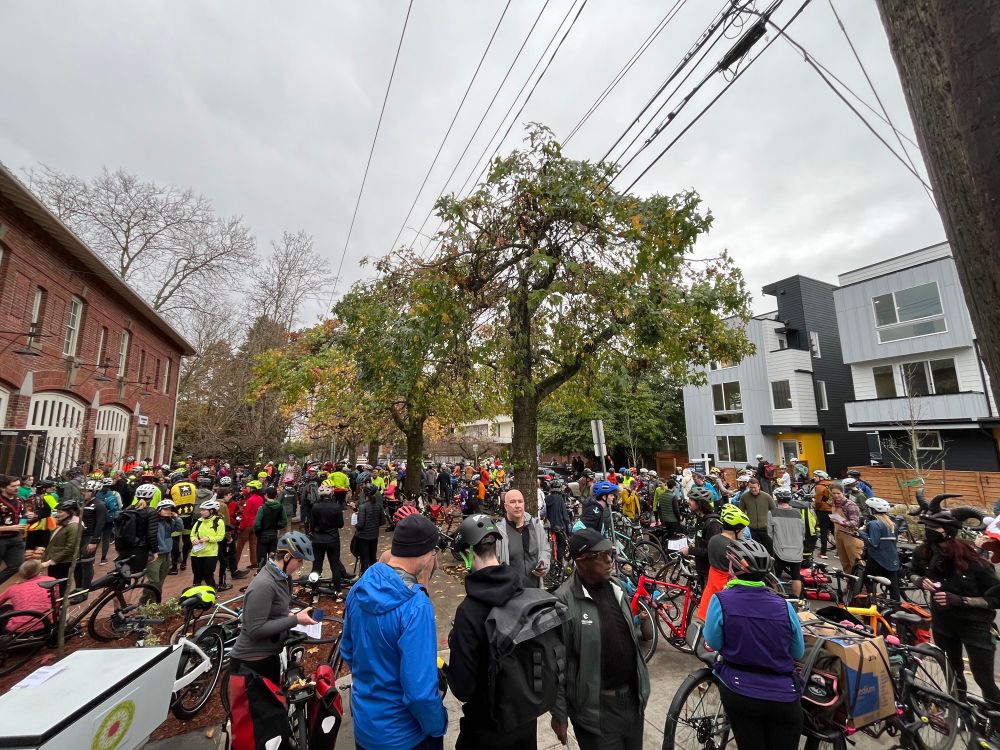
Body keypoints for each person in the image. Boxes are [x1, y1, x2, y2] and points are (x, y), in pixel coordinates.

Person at [341, 514, 448, 750]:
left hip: (366, 726)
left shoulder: (359, 587)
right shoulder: (416, 606)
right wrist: (437, 725)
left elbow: (347, 649)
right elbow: (420, 692)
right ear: (426, 552)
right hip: (406, 734)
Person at [551, 529, 650, 749]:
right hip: (597, 713)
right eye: (600, 555)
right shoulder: (564, 601)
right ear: (581, 561)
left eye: (610, 552)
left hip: (633, 703)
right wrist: (559, 714)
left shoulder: (617, 588)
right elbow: (555, 663)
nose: (609, 559)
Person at [703, 539, 805, 750]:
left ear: (734, 569)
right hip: (783, 697)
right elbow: (798, 651)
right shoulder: (784, 606)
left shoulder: (721, 600)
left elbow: (713, 642)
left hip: (739, 690)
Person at [447, 514, 538, 748]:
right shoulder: (526, 589)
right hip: (526, 721)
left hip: (487, 727)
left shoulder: (468, 611)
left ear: (468, 554)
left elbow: (462, 688)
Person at [227, 531, 318, 743]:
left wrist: (291, 614)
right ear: (286, 557)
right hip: (251, 666)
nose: (301, 566)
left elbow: (275, 610)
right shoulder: (263, 584)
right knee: (260, 728)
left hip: (268, 658)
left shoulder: (282, 577)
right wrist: (296, 620)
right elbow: (255, 629)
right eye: (299, 561)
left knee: (273, 722)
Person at [912, 507, 1000, 710]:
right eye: (927, 526)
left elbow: (996, 598)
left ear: (949, 531)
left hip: (975, 625)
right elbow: (911, 572)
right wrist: (921, 581)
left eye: (935, 528)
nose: (929, 531)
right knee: (953, 671)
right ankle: (959, 709)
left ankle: (996, 722)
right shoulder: (924, 551)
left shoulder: (973, 560)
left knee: (983, 679)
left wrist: (961, 600)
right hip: (943, 623)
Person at [697, 504, 750, 621]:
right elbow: (746, 567)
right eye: (743, 530)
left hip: (712, 587)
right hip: (726, 589)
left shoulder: (714, 539)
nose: (743, 533)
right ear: (736, 530)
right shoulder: (731, 546)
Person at [495, 489, 550, 588]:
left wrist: (543, 563)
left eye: (520, 501)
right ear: (505, 506)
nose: (517, 505)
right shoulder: (499, 532)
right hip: (512, 593)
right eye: (512, 502)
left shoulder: (536, 526)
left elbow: (545, 550)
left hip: (535, 591)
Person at [859, 497, 901, 601]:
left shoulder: (873, 524)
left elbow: (874, 543)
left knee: (868, 580)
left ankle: (872, 603)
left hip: (877, 559)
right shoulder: (893, 524)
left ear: (872, 510)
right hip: (892, 559)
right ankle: (896, 609)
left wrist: (861, 532)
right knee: (893, 587)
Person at [309, 484, 346, 596]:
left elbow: (311, 524)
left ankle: (314, 588)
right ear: (331, 494)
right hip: (332, 539)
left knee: (316, 565)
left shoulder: (315, 507)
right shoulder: (336, 507)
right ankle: (338, 589)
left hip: (317, 540)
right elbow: (340, 524)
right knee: (334, 565)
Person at [768, 488, 804, 597]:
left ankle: (776, 598)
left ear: (777, 499)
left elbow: (770, 533)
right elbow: (803, 532)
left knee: (775, 577)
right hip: (797, 550)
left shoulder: (772, 513)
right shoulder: (798, 513)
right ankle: (797, 600)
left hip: (780, 549)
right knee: (796, 576)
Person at [144, 498, 182, 602]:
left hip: (166, 554)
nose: (168, 511)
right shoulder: (153, 521)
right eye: (165, 509)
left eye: (170, 509)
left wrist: (177, 518)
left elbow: (179, 529)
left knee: (160, 581)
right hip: (154, 555)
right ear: (159, 509)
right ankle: (143, 602)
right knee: (154, 582)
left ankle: (155, 603)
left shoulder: (169, 521)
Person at [0, 560, 55, 632]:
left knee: (6, 608)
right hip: (47, 623)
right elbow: (55, 600)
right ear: (39, 571)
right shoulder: (51, 580)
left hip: (18, 629)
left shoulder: (13, 588)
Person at [41, 501, 83, 593]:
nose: (57, 514)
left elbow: (71, 547)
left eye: (60, 512)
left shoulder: (74, 526)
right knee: (55, 587)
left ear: (71, 512)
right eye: (57, 511)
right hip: (56, 560)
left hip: (62, 562)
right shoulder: (65, 523)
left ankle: (59, 605)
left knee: (59, 588)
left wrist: (52, 561)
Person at [687, 487, 722, 589]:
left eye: (691, 500)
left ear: (700, 503)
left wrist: (690, 550)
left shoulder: (712, 524)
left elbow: (711, 551)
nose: (688, 502)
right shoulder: (701, 520)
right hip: (702, 569)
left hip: (709, 572)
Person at [77, 480, 107, 589]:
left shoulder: (99, 505)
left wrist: (94, 541)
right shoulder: (81, 503)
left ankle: (85, 589)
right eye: (82, 491)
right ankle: (78, 587)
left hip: (89, 537)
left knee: (86, 563)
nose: (84, 493)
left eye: (87, 491)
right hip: (79, 536)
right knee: (77, 564)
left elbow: (100, 524)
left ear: (94, 492)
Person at [190, 499, 226, 589]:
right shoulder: (199, 521)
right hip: (196, 553)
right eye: (201, 510)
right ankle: (196, 596)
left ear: (211, 511)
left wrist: (209, 538)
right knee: (197, 576)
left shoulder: (218, 522)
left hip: (210, 553)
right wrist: (193, 539)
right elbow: (192, 534)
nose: (201, 512)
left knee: (208, 575)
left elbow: (220, 536)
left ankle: (212, 594)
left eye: (203, 510)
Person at [830, 482, 864, 575]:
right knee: (845, 562)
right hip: (839, 534)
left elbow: (855, 522)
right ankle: (850, 584)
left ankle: (862, 587)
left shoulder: (850, 505)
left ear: (843, 493)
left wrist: (842, 522)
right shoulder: (834, 503)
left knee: (855, 561)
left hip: (850, 535)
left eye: (838, 493)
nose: (836, 496)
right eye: (834, 493)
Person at [0, 475, 27, 585]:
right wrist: (9, 528)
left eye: (18, 486)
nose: (17, 488)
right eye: (13, 486)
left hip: (16, 538)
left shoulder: (20, 500)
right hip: (1, 539)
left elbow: (22, 515)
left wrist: (27, 516)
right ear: (3, 487)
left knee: (16, 565)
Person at [254, 486, 288, 569]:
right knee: (272, 556)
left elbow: (257, 524)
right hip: (273, 534)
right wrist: (276, 526)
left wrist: (258, 532)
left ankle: (261, 573)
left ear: (266, 495)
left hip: (263, 535)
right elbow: (284, 522)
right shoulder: (280, 507)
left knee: (262, 557)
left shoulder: (262, 508)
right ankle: (271, 573)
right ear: (276, 495)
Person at [740, 477, 775, 555]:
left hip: (766, 529)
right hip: (751, 530)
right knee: (753, 552)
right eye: (750, 488)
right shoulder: (744, 497)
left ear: (759, 486)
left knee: (769, 550)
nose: (753, 489)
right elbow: (741, 512)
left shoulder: (767, 497)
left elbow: (774, 511)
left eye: (755, 487)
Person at [354, 484, 383, 574]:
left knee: (364, 558)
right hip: (374, 535)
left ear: (364, 493)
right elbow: (382, 521)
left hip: (363, 537)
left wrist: (356, 524)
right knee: (373, 557)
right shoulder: (378, 505)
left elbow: (360, 524)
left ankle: (364, 577)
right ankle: (374, 576)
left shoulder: (363, 507)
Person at [235, 480, 264, 569]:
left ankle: (233, 564)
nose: (247, 488)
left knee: (240, 545)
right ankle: (254, 563)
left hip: (247, 525)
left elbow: (246, 515)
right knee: (253, 544)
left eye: (248, 487)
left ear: (252, 489)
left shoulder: (250, 500)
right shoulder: (261, 499)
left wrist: (240, 527)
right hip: (256, 525)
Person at [544, 479, 571, 563]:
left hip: (551, 526)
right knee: (562, 544)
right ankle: (560, 562)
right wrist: (568, 526)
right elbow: (565, 515)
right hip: (560, 526)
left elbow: (544, 512)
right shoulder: (560, 499)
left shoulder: (547, 499)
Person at [812, 470, 834, 559]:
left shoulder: (819, 487)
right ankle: (839, 552)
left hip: (823, 511)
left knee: (823, 532)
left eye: (816, 476)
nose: (814, 477)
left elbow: (817, 501)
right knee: (833, 531)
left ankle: (823, 552)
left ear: (821, 478)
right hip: (832, 510)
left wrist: (816, 508)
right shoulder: (832, 484)